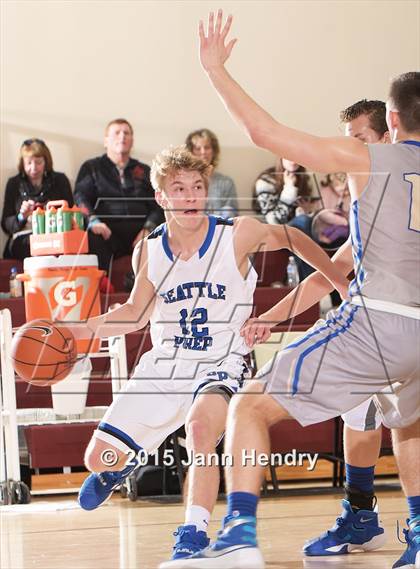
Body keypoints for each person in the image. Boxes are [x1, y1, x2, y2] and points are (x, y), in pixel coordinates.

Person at [170, 13, 419, 569]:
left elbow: (267, 134)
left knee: (250, 406)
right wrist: (279, 313)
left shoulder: (376, 163)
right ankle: (397, 525)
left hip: (378, 321)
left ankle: (237, 534)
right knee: (404, 422)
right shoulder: (382, 203)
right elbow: (334, 268)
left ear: (393, 121)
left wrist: (215, 70)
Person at [66, 146, 348, 566]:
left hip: (222, 360)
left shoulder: (238, 233)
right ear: (162, 198)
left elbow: (294, 237)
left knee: (200, 431)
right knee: (96, 458)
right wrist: (84, 328)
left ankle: (194, 530)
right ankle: (118, 466)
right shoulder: (150, 250)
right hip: (165, 364)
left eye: (197, 187)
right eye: (179, 189)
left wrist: (337, 280)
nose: (191, 196)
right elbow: (135, 314)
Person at [302, 99, 392, 557]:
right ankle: (360, 513)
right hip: (375, 324)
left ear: (387, 136)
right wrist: (272, 314)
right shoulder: (365, 197)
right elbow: (335, 269)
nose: (348, 149)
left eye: (358, 138)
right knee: (358, 412)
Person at [74, 118, 164, 285]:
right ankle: (102, 285)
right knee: (91, 237)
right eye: (117, 133)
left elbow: (159, 204)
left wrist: (149, 228)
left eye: (127, 133)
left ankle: (140, 285)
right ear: (106, 141)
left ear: (132, 141)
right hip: (106, 233)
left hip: (140, 232)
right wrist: (94, 221)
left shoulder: (144, 170)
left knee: (161, 235)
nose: (122, 136)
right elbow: (80, 198)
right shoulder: (92, 168)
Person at [1, 138, 73, 259]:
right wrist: (21, 216)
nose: (33, 168)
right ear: (22, 164)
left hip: (54, 235)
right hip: (24, 237)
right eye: (29, 163)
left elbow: (71, 214)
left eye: (38, 162)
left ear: (46, 162)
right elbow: (6, 225)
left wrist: (52, 212)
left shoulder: (60, 180)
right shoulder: (14, 183)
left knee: (61, 246)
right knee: (32, 245)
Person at [185, 128, 238, 217]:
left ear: (213, 151)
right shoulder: (184, 183)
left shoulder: (226, 182)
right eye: (198, 148)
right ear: (191, 152)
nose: (203, 152)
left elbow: (231, 214)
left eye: (207, 147)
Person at [253, 157, 314, 224]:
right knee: (303, 220)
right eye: (287, 154)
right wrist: (289, 188)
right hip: (272, 229)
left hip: (296, 227)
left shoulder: (304, 179)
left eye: (297, 155)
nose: (293, 160)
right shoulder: (265, 182)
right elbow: (272, 221)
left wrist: (307, 211)